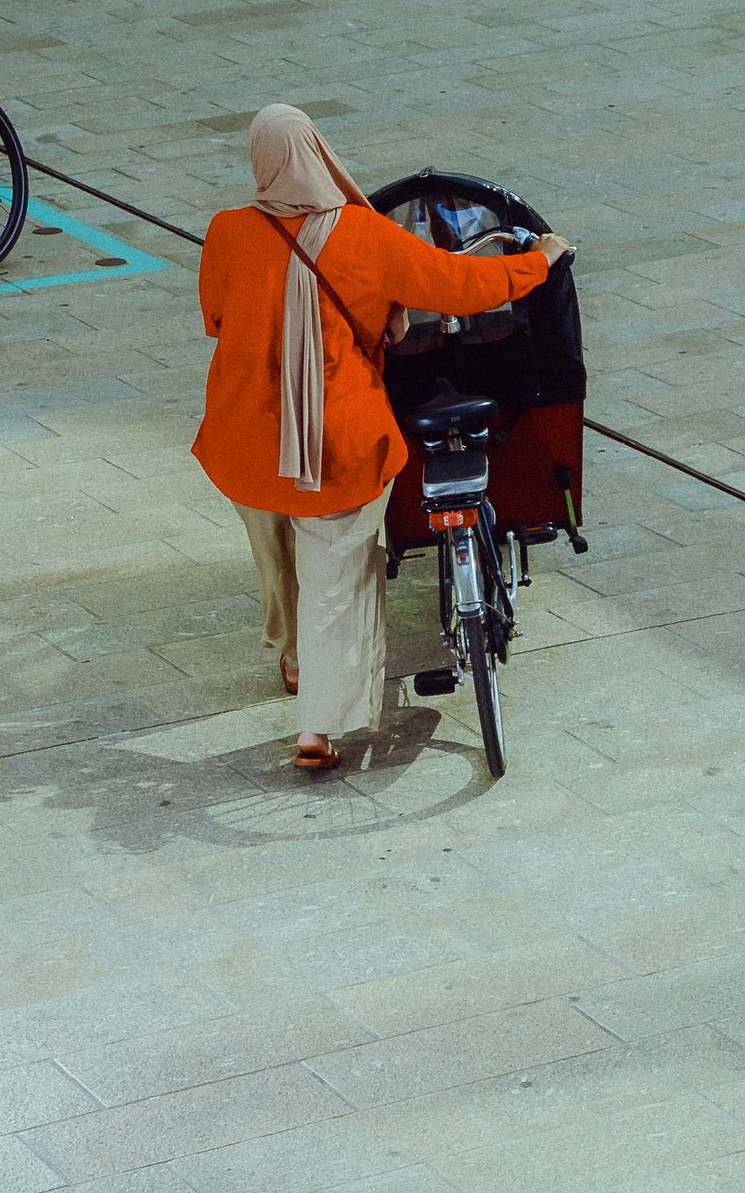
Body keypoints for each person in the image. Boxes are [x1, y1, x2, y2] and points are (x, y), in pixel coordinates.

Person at [194, 105, 568, 770]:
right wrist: (539, 262)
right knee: (336, 577)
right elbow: (459, 286)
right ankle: (316, 731)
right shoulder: (365, 235)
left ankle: (292, 655)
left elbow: (217, 317)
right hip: (339, 442)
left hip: (246, 435)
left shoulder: (227, 232)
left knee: (275, 548)